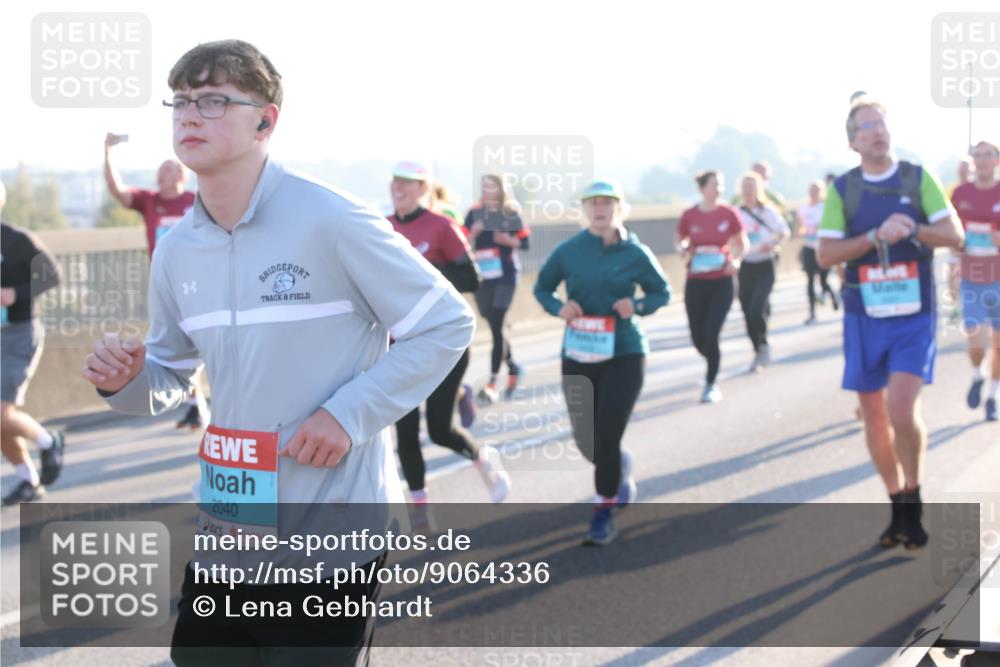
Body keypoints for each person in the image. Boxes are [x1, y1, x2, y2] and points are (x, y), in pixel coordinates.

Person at [81, 40, 475, 665]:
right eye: (180, 101)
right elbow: (169, 377)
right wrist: (125, 380)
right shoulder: (177, 249)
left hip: (330, 541)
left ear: (266, 121)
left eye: (213, 101)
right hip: (228, 532)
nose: (188, 115)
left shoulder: (334, 219)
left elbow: (447, 323)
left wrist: (351, 414)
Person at [817, 97, 963, 550]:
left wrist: (913, 229)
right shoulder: (844, 190)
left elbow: (954, 236)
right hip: (865, 313)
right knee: (875, 416)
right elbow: (825, 255)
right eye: (867, 127)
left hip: (913, 313)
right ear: (853, 142)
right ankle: (896, 501)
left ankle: (914, 497)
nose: (878, 131)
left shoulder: (918, 179)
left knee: (901, 409)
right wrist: (872, 237)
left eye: (882, 123)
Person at [534, 180, 670, 545]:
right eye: (593, 203)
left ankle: (603, 510)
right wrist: (559, 307)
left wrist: (637, 306)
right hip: (579, 350)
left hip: (624, 351)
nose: (599, 209)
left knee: (607, 434)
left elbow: (662, 291)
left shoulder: (635, 253)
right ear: (584, 209)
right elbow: (542, 287)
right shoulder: (570, 250)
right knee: (587, 440)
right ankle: (619, 467)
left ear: (619, 209)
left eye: (607, 203)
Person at [387, 160, 511, 512]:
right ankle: (420, 510)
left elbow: (472, 279)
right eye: (395, 182)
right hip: (399, 347)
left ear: (424, 189)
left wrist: (429, 276)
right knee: (405, 431)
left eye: (408, 183)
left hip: (443, 344)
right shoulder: (381, 228)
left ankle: (482, 458)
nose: (399, 188)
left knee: (440, 431)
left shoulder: (442, 227)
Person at [104, 131, 208, 430]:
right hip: (167, 285)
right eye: (160, 171)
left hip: (201, 281)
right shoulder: (149, 202)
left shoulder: (196, 200)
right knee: (177, 346)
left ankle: (198, 405)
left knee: (201, 342)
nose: (163, 175)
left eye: (170, 169)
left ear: (182, 176)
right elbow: (117, 190)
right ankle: (195, 405)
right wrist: (108, 153)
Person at [1, 182, 66, 506]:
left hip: (17, 332)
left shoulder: (16, 239)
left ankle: (48, 440)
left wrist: (17, 294)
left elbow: (53, 274)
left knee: (0, 413)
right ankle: (29, 480)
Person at [677, 171, 747, 403]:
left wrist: (735, 260)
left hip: (722, 282)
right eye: (713, 185)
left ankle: (710, 383)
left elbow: (742, 242)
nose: (718, 189)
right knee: (698, 337)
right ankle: (712, 360)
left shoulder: (729, 213)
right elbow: (681, 240)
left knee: (711, 332)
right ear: (702, 188)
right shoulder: (689, 215)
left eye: (721, 184)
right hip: (696, 280)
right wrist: (683, 248)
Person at [464, 174, 531, 404]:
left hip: (506, 276)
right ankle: (513, 368)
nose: (486, 190)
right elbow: (461, 242)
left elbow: (526, 243)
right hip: (483, 277)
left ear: (501, 189)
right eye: (483, 186)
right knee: (495, 324)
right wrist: (473, 233)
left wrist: (507, 240)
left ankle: (492, 383)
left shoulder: (511, 213)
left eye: (491, 186)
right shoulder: (474, 213)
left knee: (496, 325)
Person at [951, 140, 1000, 422]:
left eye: (988, 155)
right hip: (972, 277)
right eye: (977, 155)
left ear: (996, 160)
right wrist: (956, 249)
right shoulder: (960, 193)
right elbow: (950, 232)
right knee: (977, 343)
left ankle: (993, 396)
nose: (982, 160)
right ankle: (977, 374)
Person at [735, 170, 789, 371]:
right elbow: (729, 238)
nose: (748, 191)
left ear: (759, 189)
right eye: (745, 187)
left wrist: (774, 244)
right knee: (747, 310)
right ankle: (757, 349)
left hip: (765, 264)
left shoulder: (768, 212)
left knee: (758, 307)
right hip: (745, 265)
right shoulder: (736, 213)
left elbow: (784, 233)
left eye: (752, 187)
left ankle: (764, 343)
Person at [798, 180, 840, 324]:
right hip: (808, 247)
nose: (813, 193)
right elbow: (799, 227)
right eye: (811, 190)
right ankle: (812, 313)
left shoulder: (825, 207)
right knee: (809, 280)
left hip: (823, 248)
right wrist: (803, 232)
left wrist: (820, 229)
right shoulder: (803, 208)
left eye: (816, 190)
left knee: (823, 281)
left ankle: (833, 294)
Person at [945, 156, 976, 322]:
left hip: (978, 243)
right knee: (953, 274)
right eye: (961, 169)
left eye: (966, 168)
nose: (963, 172)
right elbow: (948, 215)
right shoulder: (954, 190)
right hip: (958, 241)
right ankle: (956, 307)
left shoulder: (979, 188)